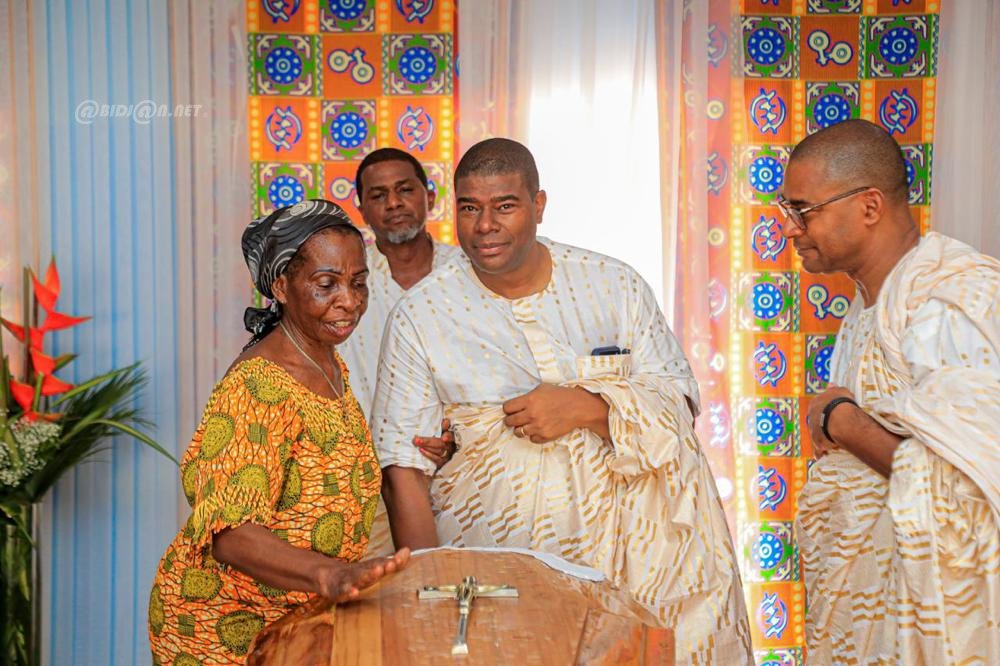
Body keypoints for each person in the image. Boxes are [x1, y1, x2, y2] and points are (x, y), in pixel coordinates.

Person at [372, 138, 752, 663]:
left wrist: (587, 407)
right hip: (496, 569)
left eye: (505, 206)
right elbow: (404, 469)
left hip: (630, 569)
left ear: (539, 205)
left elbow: (679, 400)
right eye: (470, 208)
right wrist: (434, 588)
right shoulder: (420, 316)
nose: (485, 225)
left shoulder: (613, 285)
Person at [148, 200, 410, 664]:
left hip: (295, 619)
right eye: (327, 284)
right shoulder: (258, 387)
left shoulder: (327, 362)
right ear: (281, 286)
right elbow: (230, 534)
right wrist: (330, 575)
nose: (349, 301)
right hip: (223, 628)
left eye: (358, 283)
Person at [780, 119, 1000, 664]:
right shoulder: (866, 309)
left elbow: (966, 491)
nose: (789, 228)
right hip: (872, 620)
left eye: (803, 210)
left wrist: (841, 420)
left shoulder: (948, 302)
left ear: (870, 206)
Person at [338, 148, 462, 556]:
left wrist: (456, 435)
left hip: (465, 470)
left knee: (463, 583)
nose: (393, 203)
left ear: (429, 196)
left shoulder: (467, 273)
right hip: (368, 483)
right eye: (378, 195)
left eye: (405, 190)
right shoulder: (344, 284)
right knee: (381, 589)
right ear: (361, 210)